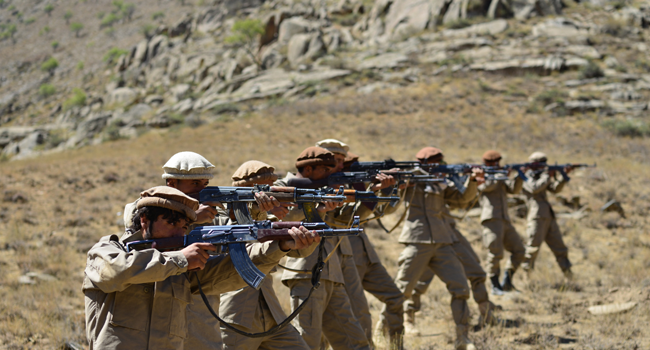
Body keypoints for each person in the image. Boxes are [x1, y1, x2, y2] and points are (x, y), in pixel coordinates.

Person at [83, 186, 319, 350]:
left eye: (185, 226)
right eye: (172, 223)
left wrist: (280, 246)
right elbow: (115, 271)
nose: (179, 233)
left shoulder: (180, 269)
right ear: (145, 221)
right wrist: (180, 259)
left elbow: (229, 273)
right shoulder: (107, 250)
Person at [122, 151, 282, 350]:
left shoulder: (213, 214)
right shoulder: (149, 207)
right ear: (172, 183)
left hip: (203, 310)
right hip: (161, 303)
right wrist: (192, 216)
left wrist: (255, 211)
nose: (202, 189)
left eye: (204, 184)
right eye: (195, 184)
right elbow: (134, 225)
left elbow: (244, 237)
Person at [277, 146, 371, 350]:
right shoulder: (282, 186)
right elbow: (280, 219)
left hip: (332, 272)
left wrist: (370, 194)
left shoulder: (322, 191)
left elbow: (343, 220)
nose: (331, 175)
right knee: (308, 342)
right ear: (308, 170)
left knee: (355, 341)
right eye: (325, 171)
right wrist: (316, 207)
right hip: (305, 273)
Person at [388, 147, 480, 350]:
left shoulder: (441, 182)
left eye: (441, 162)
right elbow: (391, 200)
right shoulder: (410, 178)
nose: (439, 166)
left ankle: (462, 338)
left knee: (460, 288)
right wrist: (398, 182)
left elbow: (461, 200)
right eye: (435, 163)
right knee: (400, 292)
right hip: (417, 240)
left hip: (442, 241)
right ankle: (392, 338)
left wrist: (472, 181)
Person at [316, 139, 405, 348]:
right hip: (329, 259)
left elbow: (377, 211)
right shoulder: (313, 187)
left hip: (355, 254)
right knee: (329, 324)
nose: (340, 165)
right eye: (334, 160)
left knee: (360, 315)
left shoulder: (348, 183)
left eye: (341, 160)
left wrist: (388, 189)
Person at [218, 160, 310, 350]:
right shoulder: (220, 215)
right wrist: (257, 210)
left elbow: (300, 252)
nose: (271, 192)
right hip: (236, 317)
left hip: (271, 313)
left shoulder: (269, 220)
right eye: (264, 188)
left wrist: (315, 216)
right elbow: (240, 237)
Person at [479, 150, 526, 293]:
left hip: (505, 219)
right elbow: (486, 186)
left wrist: (519, 176)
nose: (498, 165)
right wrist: (501, 175)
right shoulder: (482, 176)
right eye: (494, 163)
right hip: (491, 219)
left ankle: (507, 281)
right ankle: (494, 285)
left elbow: (514, 190)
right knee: (495, 252)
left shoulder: (500, 177)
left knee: (519, 250)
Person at [520, 152, 573, 279]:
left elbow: (555, 189)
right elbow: (534, 188)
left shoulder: (542, 176)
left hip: (548, 216)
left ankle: (568, 275)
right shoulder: (525, 176)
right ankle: (527, 277)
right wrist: (547, 176)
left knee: (560, 248)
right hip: (536, 216)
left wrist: (563, 176)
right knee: (532, 248)